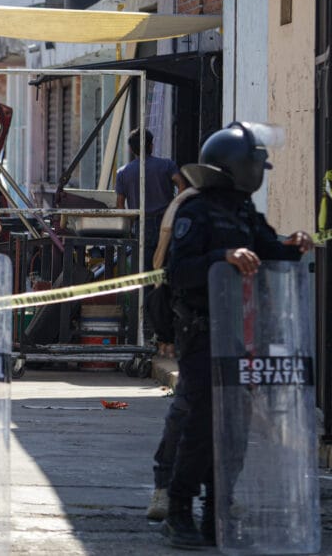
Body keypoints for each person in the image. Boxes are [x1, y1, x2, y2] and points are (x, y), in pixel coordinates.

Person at [159, 122, 312, 549]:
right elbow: (179, 272)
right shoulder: (196, 210)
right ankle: (178, 510)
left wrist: (293, 244)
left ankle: (217, 512)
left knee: (235, 431)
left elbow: (269, 249)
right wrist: (221, 256)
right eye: (253, 164)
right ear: (233, 166)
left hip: (241, 338)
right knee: (203, 427)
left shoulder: (245, 212)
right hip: (203, 334)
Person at [115, 128, 185, 272]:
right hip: (166, 223)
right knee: (166, 269)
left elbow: (120, 205)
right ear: (151, 146)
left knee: (144, 272)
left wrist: (128, 228)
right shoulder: (167, 165)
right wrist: (174, 207)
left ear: (131, 149)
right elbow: (182, 184)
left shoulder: (123, 173)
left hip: (141, 225)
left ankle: (147, 295)